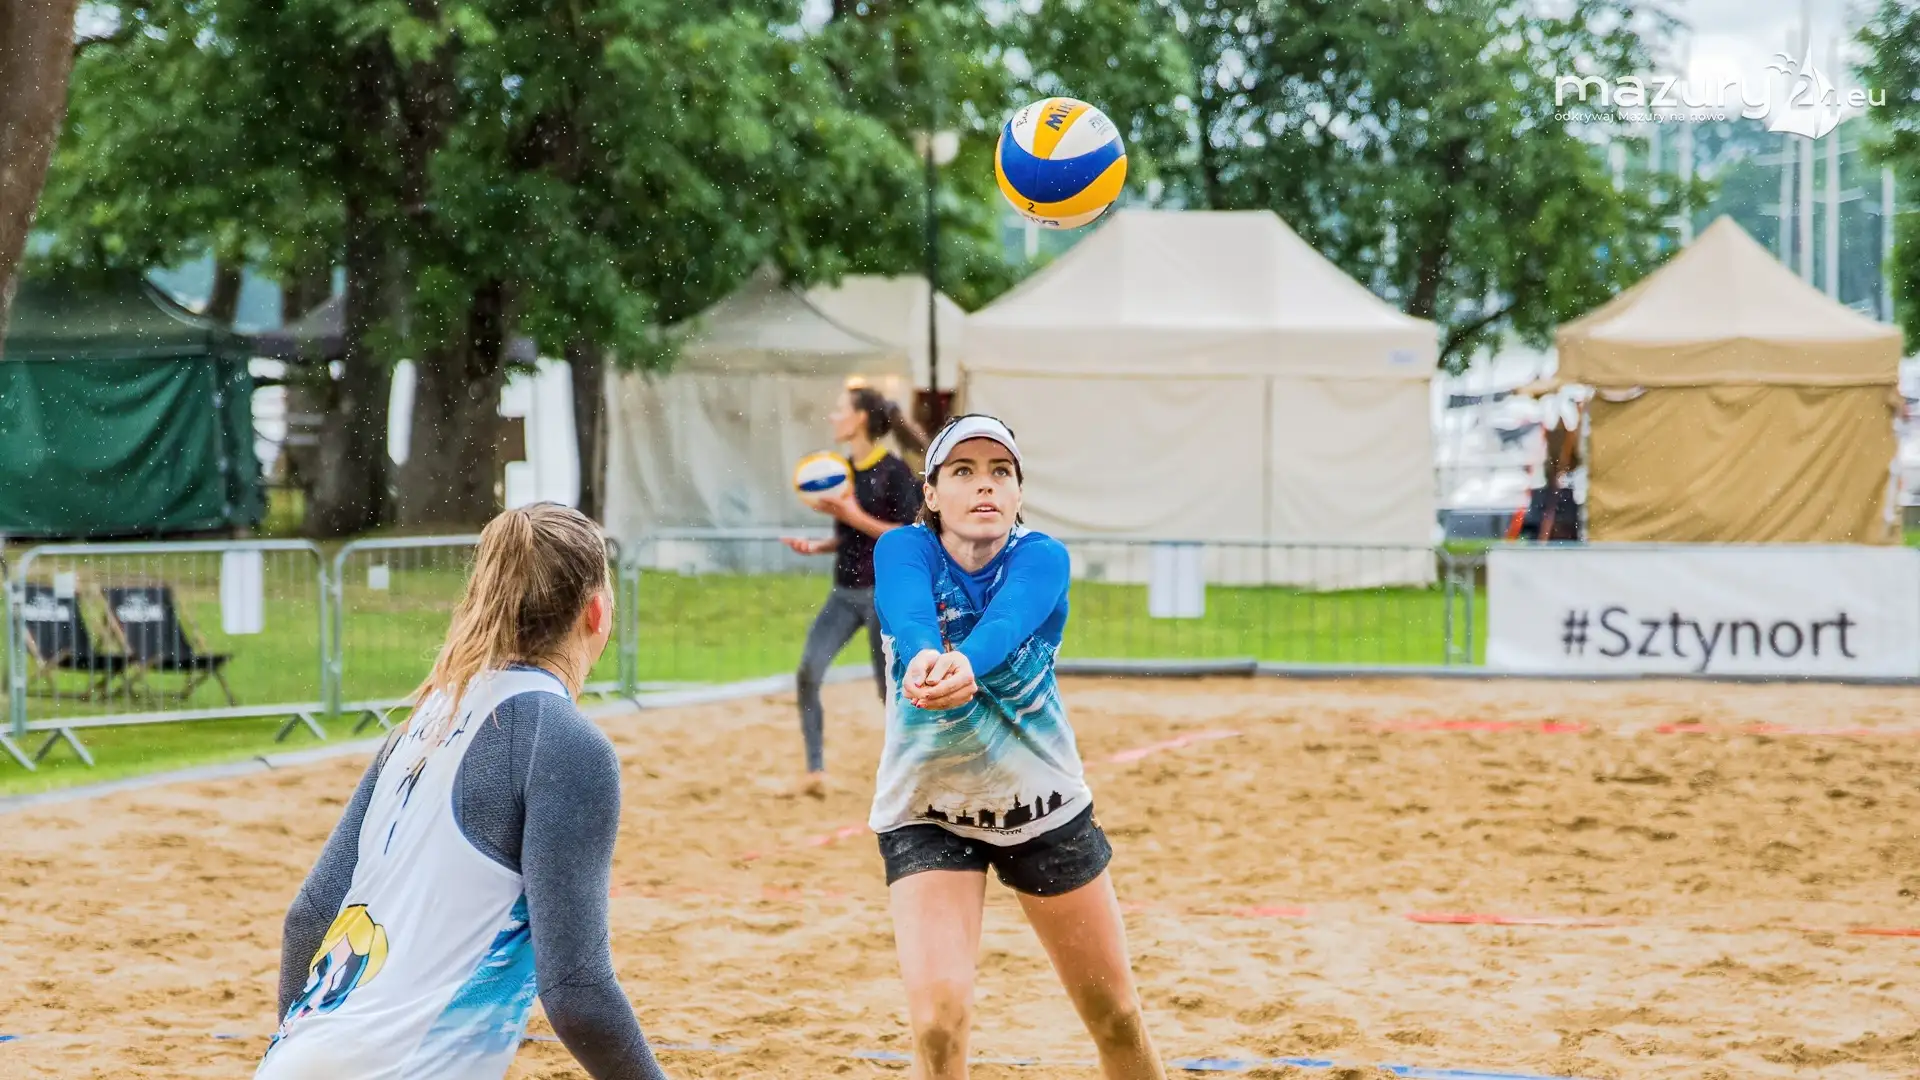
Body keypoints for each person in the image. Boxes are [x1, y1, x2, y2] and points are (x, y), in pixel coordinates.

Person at [256, 504, 669, 1080]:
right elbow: (577, 990)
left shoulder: (421, 726)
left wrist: (296, 1046)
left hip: (295, 1060)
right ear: (596, 612)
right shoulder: (560, 741)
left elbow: (309, 918)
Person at [869, 414, 1166, 1080]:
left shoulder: (1042, 556)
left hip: (1043, 805)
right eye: (964, 471)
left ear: (1019, 492)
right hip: (927, 810)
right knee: (937, 1027)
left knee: (1116, 1017)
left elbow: (1006, 623)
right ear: (931, 492)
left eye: (1000, 472)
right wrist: (923, 657)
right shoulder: (903, 548)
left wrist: (963, 665)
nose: (985, 485)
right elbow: (910, 614)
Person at [781, 384, 924, 797]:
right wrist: (819, 546)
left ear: (860, 418)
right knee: (808, 672)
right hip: (844, 593)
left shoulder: (895, 471)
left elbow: (906, 536)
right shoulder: (839, 471)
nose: (832, 416)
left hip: (884, 596)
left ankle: (911, 774)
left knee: (890, 692)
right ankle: (815, 771)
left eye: (840, 409)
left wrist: (854, 514)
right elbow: (853, 536)